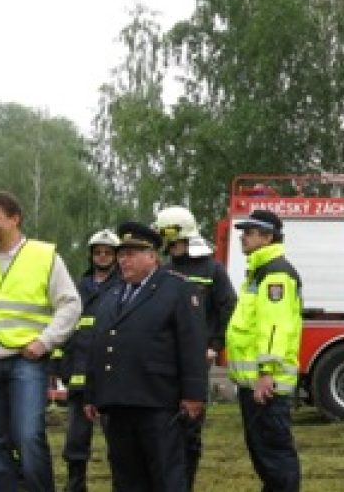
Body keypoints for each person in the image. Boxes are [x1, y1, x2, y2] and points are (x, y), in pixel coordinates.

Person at [0, 191, 82, 492]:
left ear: (15, 219)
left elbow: (70, 305)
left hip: (27, 362)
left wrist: (46, 341)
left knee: (28, 436)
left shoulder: (45, 256)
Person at [83, 222, 207, 492]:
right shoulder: (112, 294)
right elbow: (98, 344)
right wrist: (91, 392)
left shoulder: (177, 289)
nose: (123, 260)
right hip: (117, 401)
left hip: (158, 400)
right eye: (121, 254)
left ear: (152, 256)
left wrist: (194, 394)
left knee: (165, 473)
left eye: (131, 254)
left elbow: (192, 344)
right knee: (126, 475)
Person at [153, 206, 236, 489]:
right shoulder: (163, 270)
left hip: (197, 361)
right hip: (165, 360)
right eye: (165, 240)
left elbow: (228, 309)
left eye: (172, 239)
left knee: (190, 428)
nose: (168, 246)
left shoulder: (211, 269)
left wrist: (215, 345)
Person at [226, 209, 302, 492]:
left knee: (274, 456)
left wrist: (266, 372)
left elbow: (274, 327)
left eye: (249, 232)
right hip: (257, 385)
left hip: (266, 386)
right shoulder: (260, 271)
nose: (242, 237)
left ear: (268, 236)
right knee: (265, 455)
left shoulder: (275, 274)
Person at [52, 229, 121, 492]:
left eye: (107, 252)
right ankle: (75, 481)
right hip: (79, 373)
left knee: (117, 436)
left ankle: (121, 481)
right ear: (91, 255)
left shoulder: (123, 287)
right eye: (97, 252)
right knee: (76, 436)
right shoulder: (77, 288)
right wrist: (60, 364)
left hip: (111, 374)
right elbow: (63, 325)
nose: (102, 256)